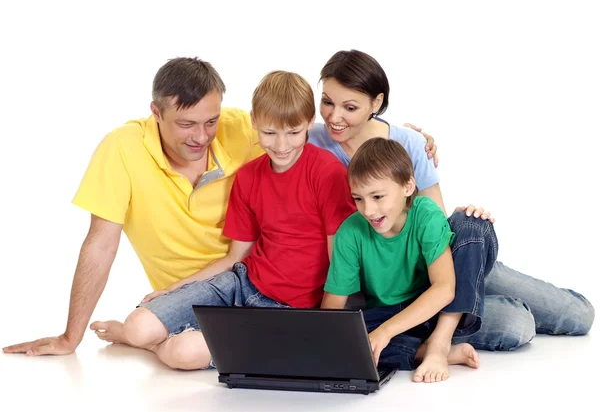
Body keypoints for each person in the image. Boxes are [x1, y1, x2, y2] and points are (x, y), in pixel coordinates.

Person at [38, 70, 356, 369]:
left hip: (290, 308)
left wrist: (325, 327)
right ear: (254, 123)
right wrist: (173, 290)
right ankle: (141, 337)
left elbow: (338, 259)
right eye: (270, 133)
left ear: (310, 124)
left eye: (294, 133)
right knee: (137, 327)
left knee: (183, 354)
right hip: (242, 282)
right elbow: (235, 257)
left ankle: (165, 343)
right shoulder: (247, 176)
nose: (282, 145)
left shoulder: (327, 173)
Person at [309, 49, 595, 350]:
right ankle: (465, 318)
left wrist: (464, 231)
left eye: (350, 107)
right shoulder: (306, 141)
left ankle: (461, 311)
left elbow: (433, 220)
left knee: (577, 315)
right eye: (327, 102)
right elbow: (269, 129)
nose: (334, 116)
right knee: (514, 324)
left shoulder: (409, 143)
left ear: (376, 103)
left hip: (440, 265)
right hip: (384, 281)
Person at [322, 137, 498, 383]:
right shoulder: (351, 232)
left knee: (472, 224)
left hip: (439, 307)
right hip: (392, 313)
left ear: (407, 187)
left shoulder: (425, 214)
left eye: (377, 196)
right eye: (359, 198)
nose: (368, 210)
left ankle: (439, 344)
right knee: (351, 339)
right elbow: (331, 310)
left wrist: (385, 333)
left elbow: (445, 288)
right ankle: (426, 351)